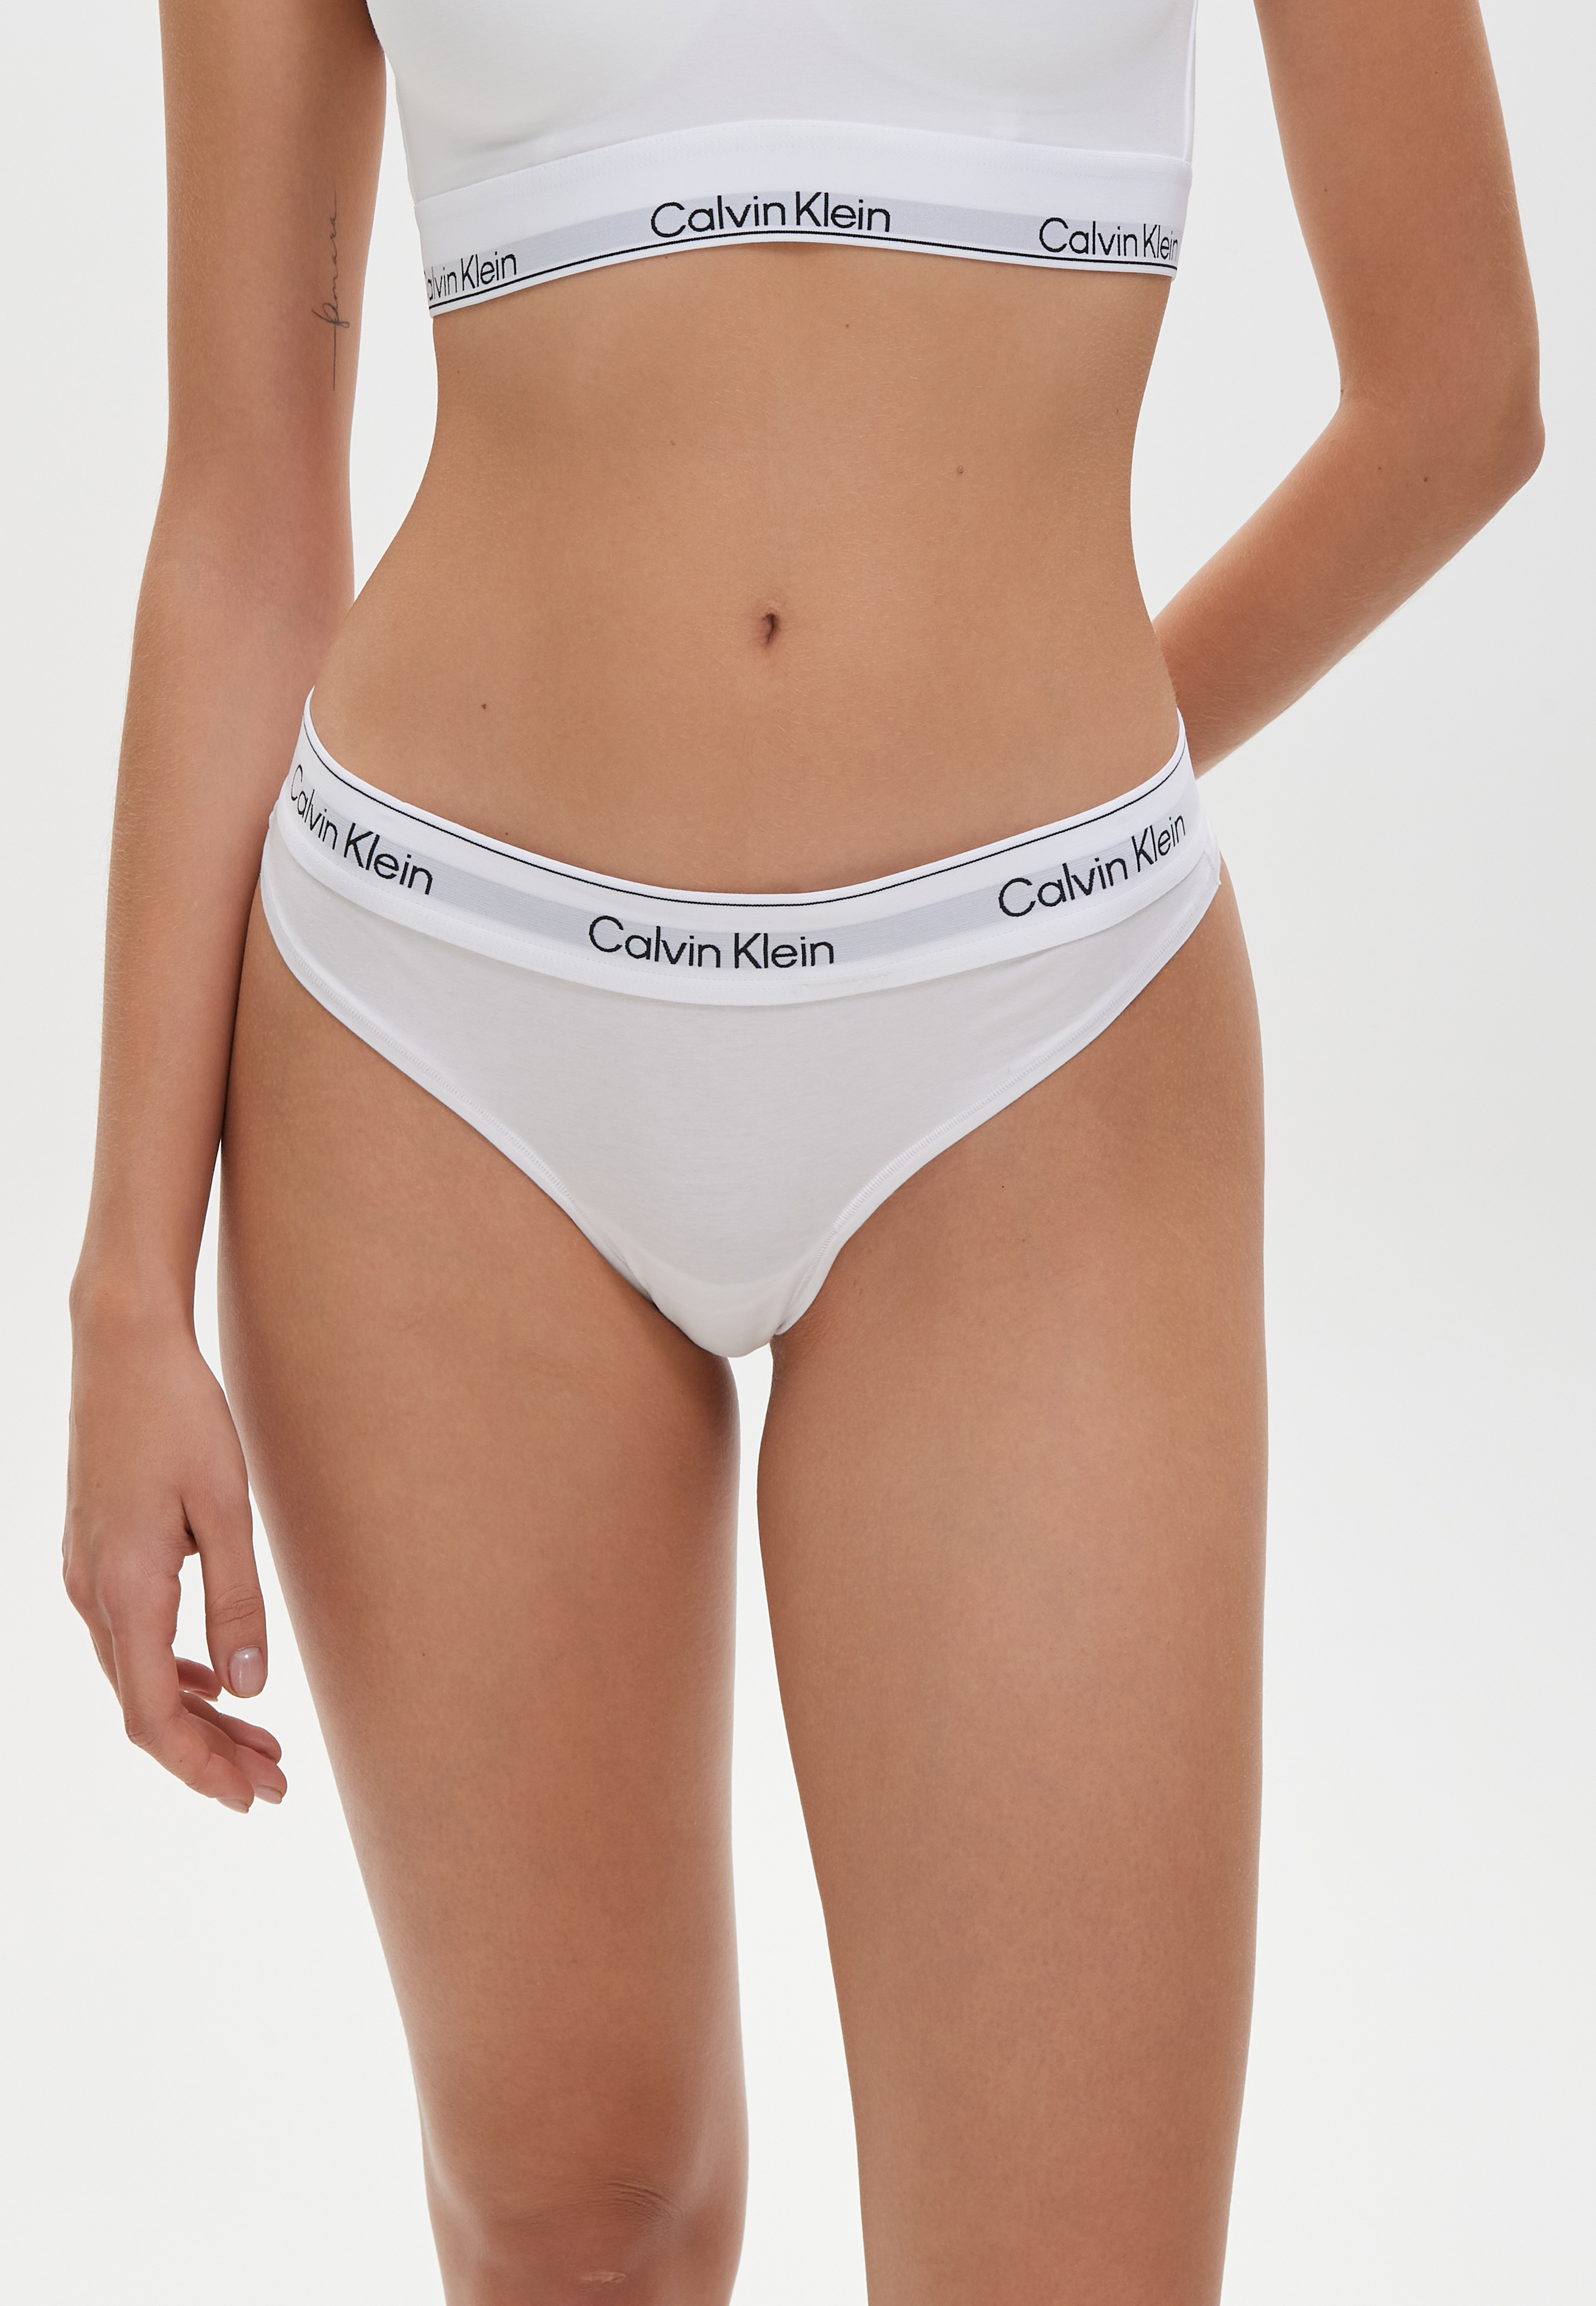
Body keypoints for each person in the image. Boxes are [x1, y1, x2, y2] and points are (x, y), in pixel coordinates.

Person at [61, 2, 1540, 2298]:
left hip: (1034, 1047)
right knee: (578, 2221)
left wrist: (1029, 830)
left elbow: (1458, 393)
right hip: (437, 1027)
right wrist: (124, 1288)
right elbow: (245, 507)